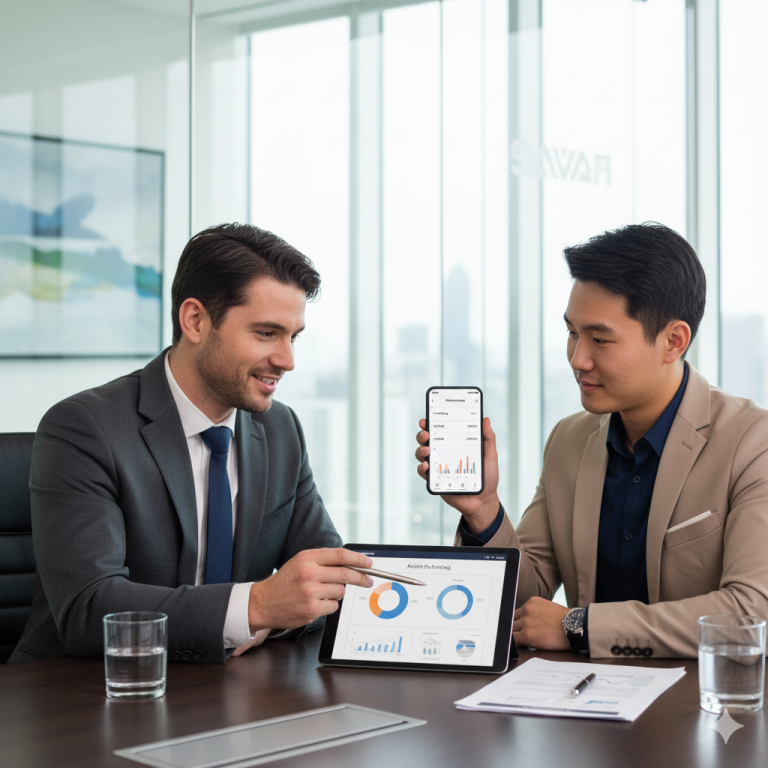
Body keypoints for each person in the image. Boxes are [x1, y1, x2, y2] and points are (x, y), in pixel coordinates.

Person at [10, 223, 372, 665]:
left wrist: (264, 617)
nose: (287, 361)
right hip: (84, 699)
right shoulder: (84, 428)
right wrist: (254, 607)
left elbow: (330, 580)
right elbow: (89, 608)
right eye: (265, 333)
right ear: (195, 320)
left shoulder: (280, 429)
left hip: (225, 694)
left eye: (292, 337)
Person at [415, 222, 768, 658]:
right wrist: (483, 509)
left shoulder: (753, 443)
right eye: (571, 333)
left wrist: (577, 625)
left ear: (673, 341)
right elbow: (529, 597)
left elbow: (750, 613)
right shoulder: (569, 438)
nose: (578, 358)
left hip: (699, 710)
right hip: (584, 704)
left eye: (600, 339)